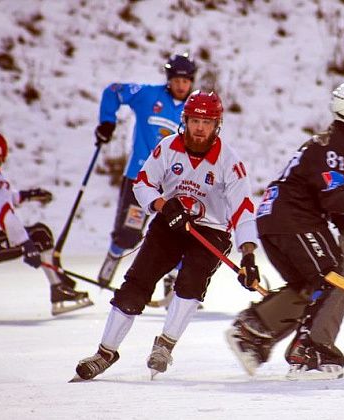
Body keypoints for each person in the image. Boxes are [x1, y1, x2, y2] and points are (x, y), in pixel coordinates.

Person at [73, 91, 261, 381]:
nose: (200, 128)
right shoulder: (167, 147)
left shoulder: (229, 162)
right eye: (195, 120)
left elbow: (243, 210)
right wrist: (163, 205)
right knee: (137, 283)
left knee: (190, 283)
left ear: (217, 126)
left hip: (211, 231)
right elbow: (143, 183)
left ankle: (165, 344)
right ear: (184, 120)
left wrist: (248, 255)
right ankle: (105, 352)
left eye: (207, 122)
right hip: (170, 223)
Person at [225, 82, 344, 380]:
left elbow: (321, 195)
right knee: (335, 277)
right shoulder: (335, 145)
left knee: (309, 283)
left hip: (274, 220)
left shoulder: (328, 142)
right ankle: (311, 351)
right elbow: (333, 196)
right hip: (294, 221)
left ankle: (252, 332)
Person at [96, 53, 197, 287]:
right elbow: (113, 90)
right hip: (140, 179)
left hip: (173, 183)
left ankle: (174, 287)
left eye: (186, 81)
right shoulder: (147, 95)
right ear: (169, 78)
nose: (181, 86)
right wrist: (107, 121)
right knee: (129, 233)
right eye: (177, 80)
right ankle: (108, 269)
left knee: (178, 232)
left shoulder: (194, 111)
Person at [0, 132, 92, 315]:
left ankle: (59, 282)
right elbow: (4, 214)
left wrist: (29, 195)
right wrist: (26, 243)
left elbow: (3, 200)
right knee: (40, 235)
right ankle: (58, 289)